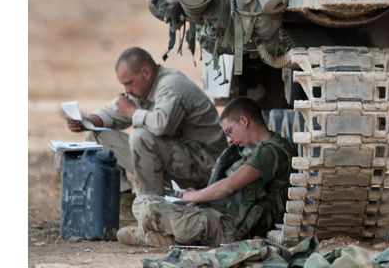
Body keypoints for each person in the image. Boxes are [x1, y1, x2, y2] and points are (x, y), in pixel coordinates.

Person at [63, 47, 227, 228]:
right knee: (98, 134)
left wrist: (131, 112)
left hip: (204, 169)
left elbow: (161, 124)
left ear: (146, 73)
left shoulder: (170, 85)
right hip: (179, 162)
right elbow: (112, 111)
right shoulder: (142, 88)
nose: (127, 90)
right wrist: (86, 121)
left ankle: (152, 210)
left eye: (129, 83)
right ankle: (125, 204)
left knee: (140, 136)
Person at [116, 97, 295, 248]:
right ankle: (163, 236)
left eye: (230, 132)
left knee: (151, 209)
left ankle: (149, 235)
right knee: (142, 202)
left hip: (230, 228)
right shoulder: (250, 150)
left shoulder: (271, 152)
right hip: (217, 215)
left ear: (244, 121)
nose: (230, 139)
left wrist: (195, 197)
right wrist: (194, 194)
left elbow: (230, 187)